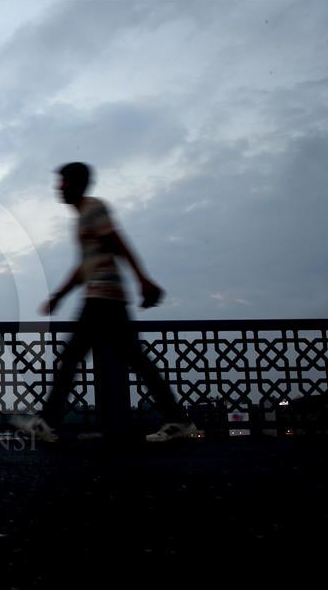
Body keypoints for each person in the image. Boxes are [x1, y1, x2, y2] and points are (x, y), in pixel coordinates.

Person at [14, 162, 196, 443]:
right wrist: (59, 296)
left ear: (76, 184)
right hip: (105, 299)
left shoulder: (93, 209)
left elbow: (118, 243)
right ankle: (177, 419)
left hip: (102, 299)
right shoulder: (82, 217)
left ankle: (47, 422)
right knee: (134, 360)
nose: (58, 188)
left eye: (62, 182)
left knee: (73, 358)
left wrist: (143, 279)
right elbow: (84, 266)